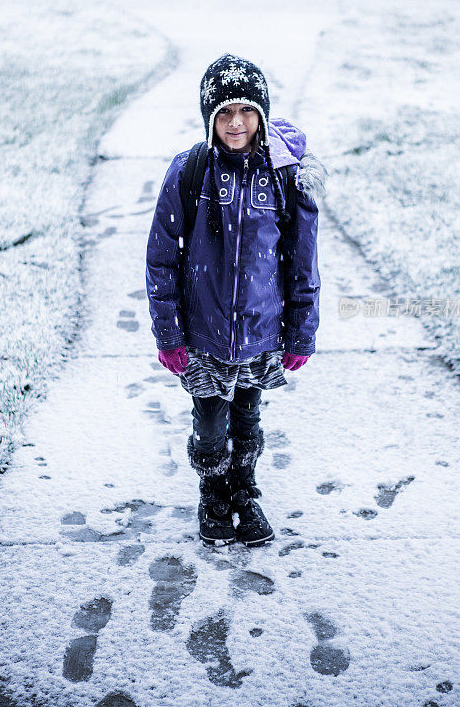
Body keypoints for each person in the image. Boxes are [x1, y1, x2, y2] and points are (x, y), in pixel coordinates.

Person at [145, 53, 327, 548]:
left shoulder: (282, 177)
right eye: (224, 113)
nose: (236, 123)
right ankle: (213, 492)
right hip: (203, 334)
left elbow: (301, 262)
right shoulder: (191, 171)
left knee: (247, 417)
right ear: (210, 118)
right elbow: (161, 257)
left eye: (246, 111)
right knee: (209, 422)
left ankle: (244, 492)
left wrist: (300, 332)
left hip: (260, 332)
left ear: (262, 116)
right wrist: (169, 333)